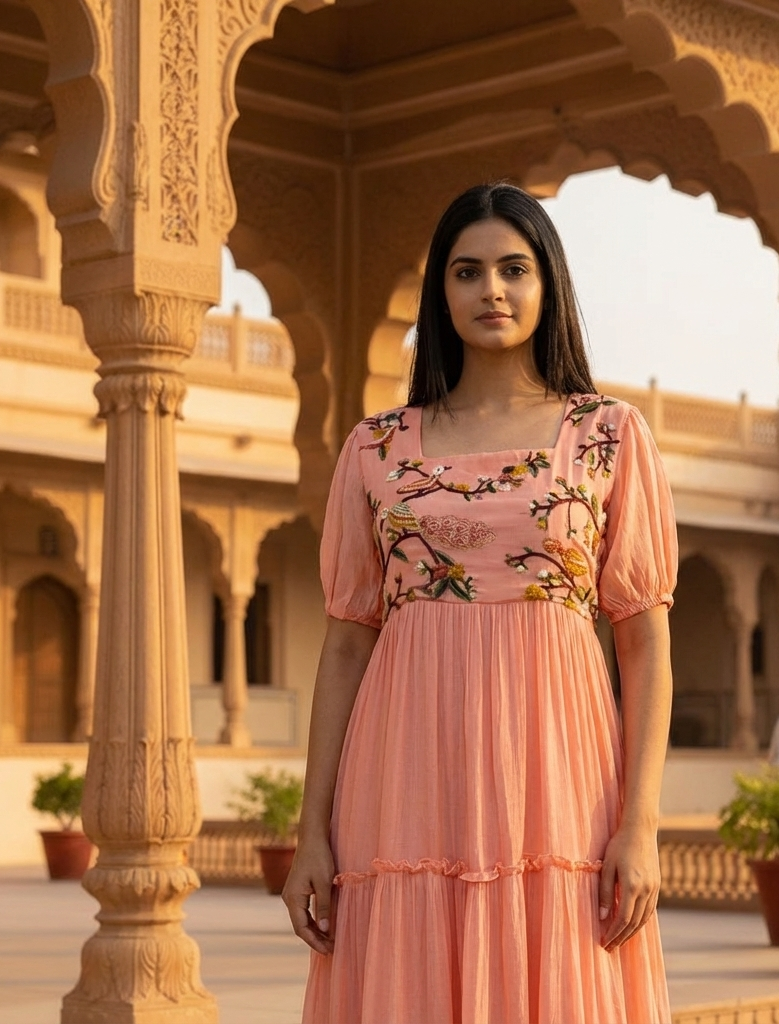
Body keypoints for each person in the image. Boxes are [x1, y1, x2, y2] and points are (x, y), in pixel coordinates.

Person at [283, 182, 678, 1023]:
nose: (491, 290)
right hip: (406, 775)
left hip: (559, 777)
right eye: (467, 272)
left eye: (513, 268)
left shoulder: (606, 436)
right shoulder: (378, 446)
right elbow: (348, 640)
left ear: (547, 285)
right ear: (441, 292)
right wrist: (310, 828)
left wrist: (639, 824)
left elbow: (643, 642)